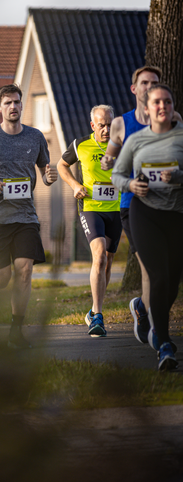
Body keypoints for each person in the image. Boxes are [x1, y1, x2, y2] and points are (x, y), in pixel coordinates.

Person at [0, 84, 58, 349]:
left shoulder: (35, 137)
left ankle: (16, 332)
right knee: (2, 276)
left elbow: (45, 172)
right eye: (8, 103)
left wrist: (50, 178)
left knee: (24, 270)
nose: (13, 107)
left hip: (25, 216)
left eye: (17, 102)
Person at [101, 67, 181, 346]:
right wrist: (109, 163)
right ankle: (159, 332)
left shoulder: (175, 121)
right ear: (134, 89)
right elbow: (110, 157)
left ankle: (144, 309)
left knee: (166, 273)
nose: (149, 87)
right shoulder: (122, 124)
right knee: (150, 268)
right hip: (133, 204)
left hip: (169, 205)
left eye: (155, 83)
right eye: (144, 83)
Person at [57, 105, 122, 338]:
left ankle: (94, 310)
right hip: (91, 207)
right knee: (100, 255)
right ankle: (98, 316)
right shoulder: (81, 144)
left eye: (109, 124)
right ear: (93, 125)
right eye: (101, 125)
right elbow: (61, 165)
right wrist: (75, 185)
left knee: (107, 262)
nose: (106, 129)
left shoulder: (122, 145)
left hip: (116, 209)